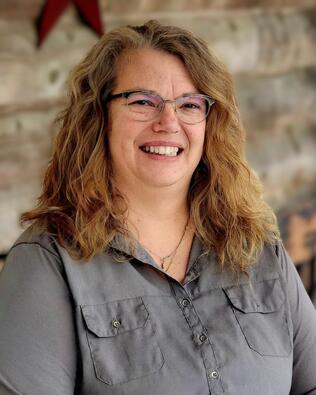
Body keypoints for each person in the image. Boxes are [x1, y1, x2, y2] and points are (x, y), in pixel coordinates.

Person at [0, 20, 315, 395]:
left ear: (209, 123)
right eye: (142, 101)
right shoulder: (49, 263)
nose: (169, 122)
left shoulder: (255, 247)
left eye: (190, 104)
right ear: (99, 118)